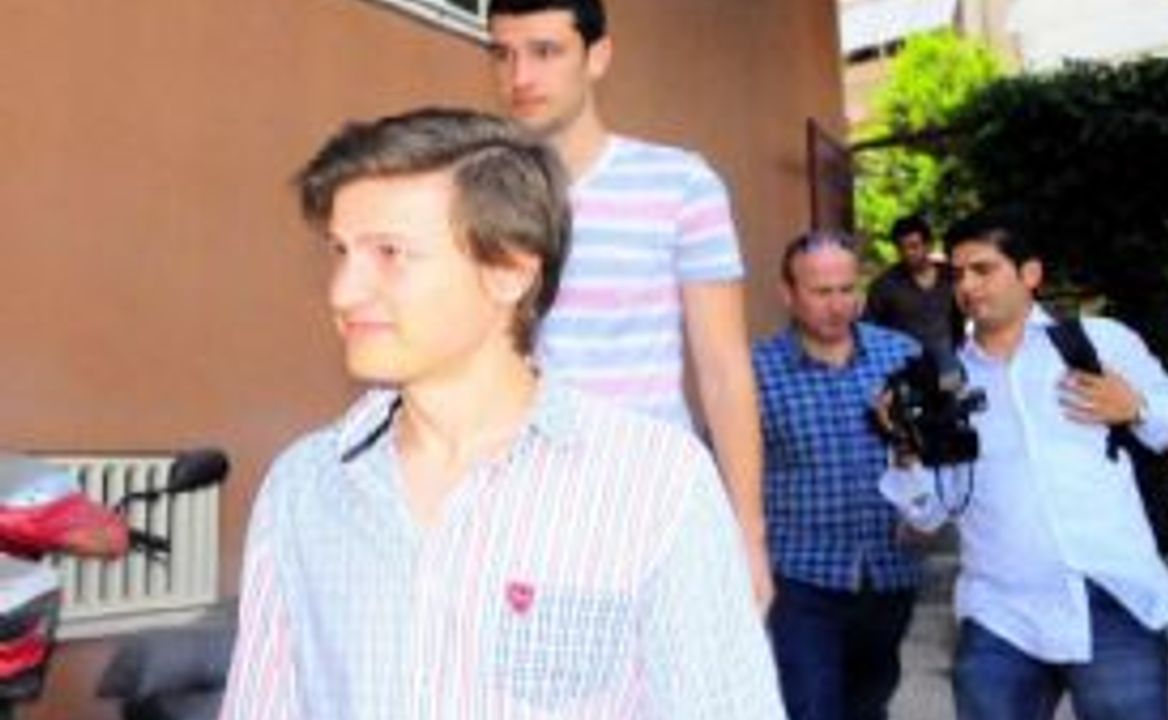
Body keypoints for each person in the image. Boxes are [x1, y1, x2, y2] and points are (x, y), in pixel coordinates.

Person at [219, 107, 785, 719]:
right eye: (340, 251)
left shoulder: (655, 485)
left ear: (509, 271)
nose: (343, 291)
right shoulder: (303, 489)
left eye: (389, 252)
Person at [485, 0, 771, 604]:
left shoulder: (681, 184)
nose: (520, 76)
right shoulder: (475, 198)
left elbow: (723, 371)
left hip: (650, 506)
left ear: (598, 56)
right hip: (516, 512)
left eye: (545, 51)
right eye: (503, 54)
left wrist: (747, 537)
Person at [880, 207, 1168, 720]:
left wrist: (1136, 407)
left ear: (1029, 274)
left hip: (1113, 597)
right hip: (1000, 615)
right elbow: (928, 513)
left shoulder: (1096, 342)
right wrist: (904, 446)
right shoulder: (943, 382)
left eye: (983, 269)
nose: (967, 285)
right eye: (958, 274)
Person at [752, 230, 923, 720]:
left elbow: (939, 455)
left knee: (867, 707)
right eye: (822, 292)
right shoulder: (755, 371)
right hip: (801, 578)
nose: (838, 305)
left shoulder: (902, 356)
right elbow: (728, 474)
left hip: (889, 573)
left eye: (847, 289)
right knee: (812, 707)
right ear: (788, 293)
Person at [864, 213, 961, 356]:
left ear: (929, 245)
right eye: (902, 248)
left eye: (914, 246)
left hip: (949, 358)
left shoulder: (949, 276)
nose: (908, 253)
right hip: (905, 362)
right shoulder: (884, 286)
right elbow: (869, 328)